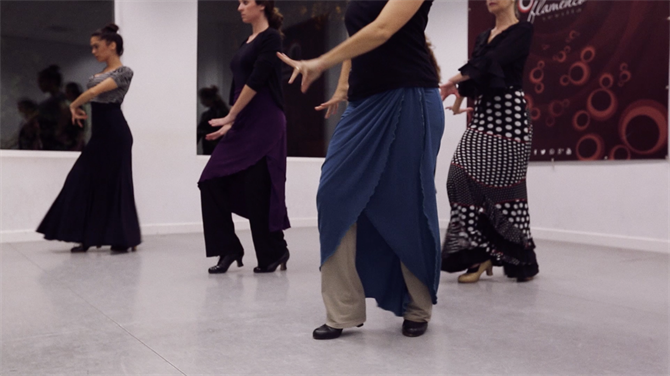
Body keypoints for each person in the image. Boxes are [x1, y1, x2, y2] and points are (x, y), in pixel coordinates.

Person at [278, 0, 444, 339]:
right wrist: (342, 88)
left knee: (408, 200)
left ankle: (418, 305)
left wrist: (321, 62)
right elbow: (361, 36)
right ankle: (343, 310)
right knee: (333, 194)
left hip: (409, 96)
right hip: (364, 103)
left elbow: (381, 30)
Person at [440, 0, 539, 283]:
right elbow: (477, 75)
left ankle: (508, 256)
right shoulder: (483, 37)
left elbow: (492, 62)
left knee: (505, 192)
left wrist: (451, 80)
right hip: (484, 114)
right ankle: (477, 252)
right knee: (459, 177)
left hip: (511, 117)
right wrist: (459, 100)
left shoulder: (523, 30)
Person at [198, 0, 290, 274]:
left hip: (265, 120)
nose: (239, 7)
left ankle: (274, 251)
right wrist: (232, 122)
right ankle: (228, 249)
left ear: (262, 6)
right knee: (210, 181)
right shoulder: (246, 42)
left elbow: (257, 80)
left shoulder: (271, 37)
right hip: (244, 120)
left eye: (245, 1)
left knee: (257, 188)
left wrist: (230, 116)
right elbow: (239, 86)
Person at [37, 23, 141, 254]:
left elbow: (94, 93)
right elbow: (93, 93)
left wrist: (73, 104)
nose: (93, 51)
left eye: (97, 46)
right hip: (100, 135)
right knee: (81, 180)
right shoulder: (98, 74)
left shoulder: (124, 72)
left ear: (111, 45)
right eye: (91, 47)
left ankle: (122, 238)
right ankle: (85, 235)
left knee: (115, 184)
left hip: (116, 134)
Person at [36, 65, 70, 151]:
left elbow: (65, 111)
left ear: (52, 81)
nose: (39, 84)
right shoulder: (53, 99)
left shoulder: (59, 98)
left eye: (42, 81)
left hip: (57, 145)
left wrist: (58, 131)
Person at [197, 86, 230, 155]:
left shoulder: (210, 115)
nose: (201, 102)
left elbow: (199, 131)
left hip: (212, 148)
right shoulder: (225, 112)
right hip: (219, 148)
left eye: (203, 99)